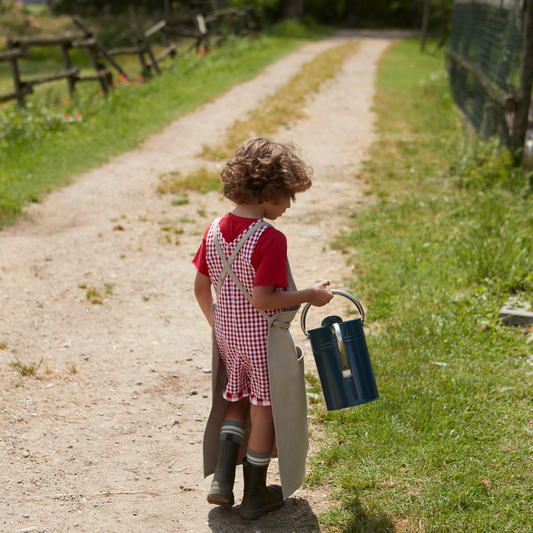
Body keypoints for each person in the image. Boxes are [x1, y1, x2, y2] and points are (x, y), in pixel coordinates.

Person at [192, 137, 333, 520]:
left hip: (228, 338)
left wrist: (222, 328)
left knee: (234, 401)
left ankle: (222, 481)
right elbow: (264, 300)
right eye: (287, 196)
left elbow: (201, 288)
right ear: (268, 190)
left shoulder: (215, 229)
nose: (288, 205)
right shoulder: (269, 238)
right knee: (264, 412)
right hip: (261, 344)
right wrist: (311, 295)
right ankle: (255, 492)